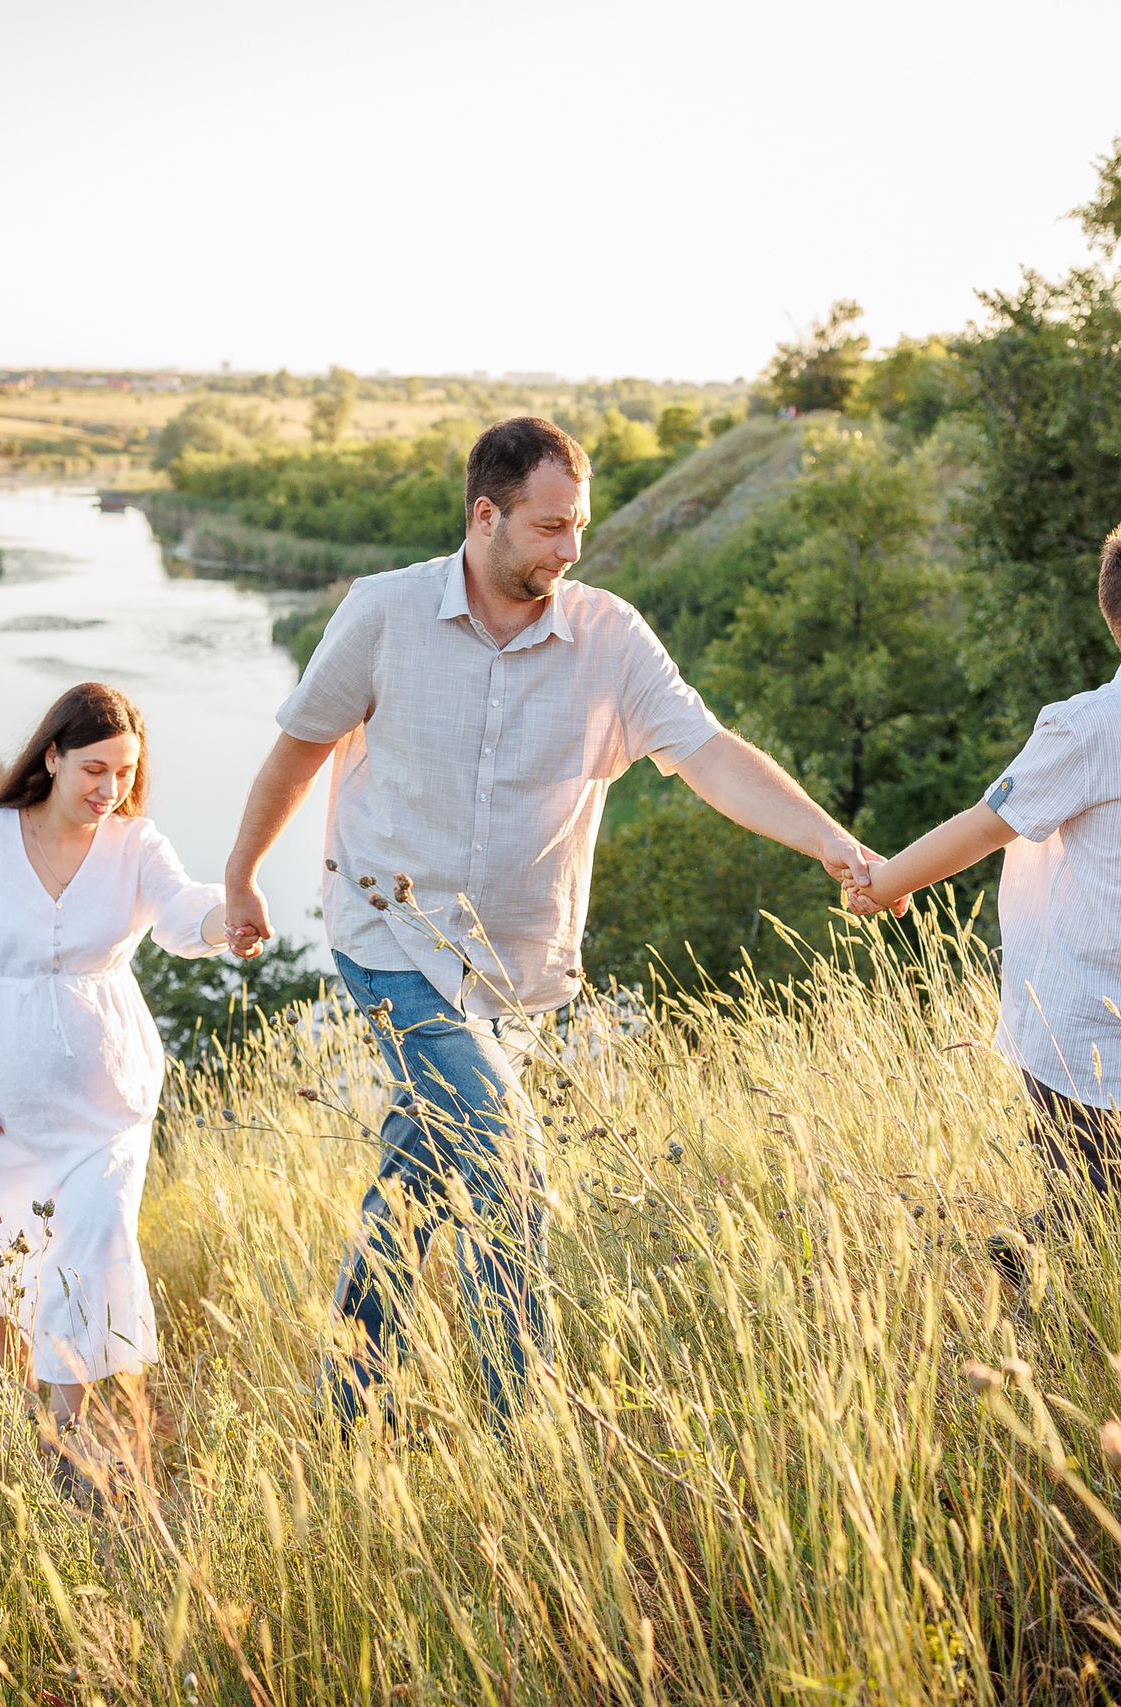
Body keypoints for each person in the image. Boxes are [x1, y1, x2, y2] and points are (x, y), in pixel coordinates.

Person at [220, 415, 898, 1431]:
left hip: (509, 972)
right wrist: (241, 876)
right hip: (389, 941)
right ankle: (518, 1434)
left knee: (416, 1176)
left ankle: (346, 1403)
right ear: (484, 517)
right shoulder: (383, 614)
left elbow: (707, 754)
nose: (569, 549)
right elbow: (300, 748)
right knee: (505, 1165)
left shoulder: (608, 636)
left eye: (577, 526)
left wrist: (833, 845)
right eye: (547, 528)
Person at [850, 519, 1121, 1286]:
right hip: (1086, 1030)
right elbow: (985, 823)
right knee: (1097, 1213)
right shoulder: (1086, 729)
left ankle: (1031, 1253)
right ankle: (1019, 1292)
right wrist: (887, 882)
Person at [0, 682, 230, 1481]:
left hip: (105, 1104)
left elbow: (185, 914)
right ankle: (23, 1410)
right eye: (94, 768)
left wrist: (232, 919)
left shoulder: (136, 845)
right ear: (52, 756)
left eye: (124, 771)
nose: (109, 789)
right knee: (3, 1259)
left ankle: (65, 1431)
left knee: (95, 1235)